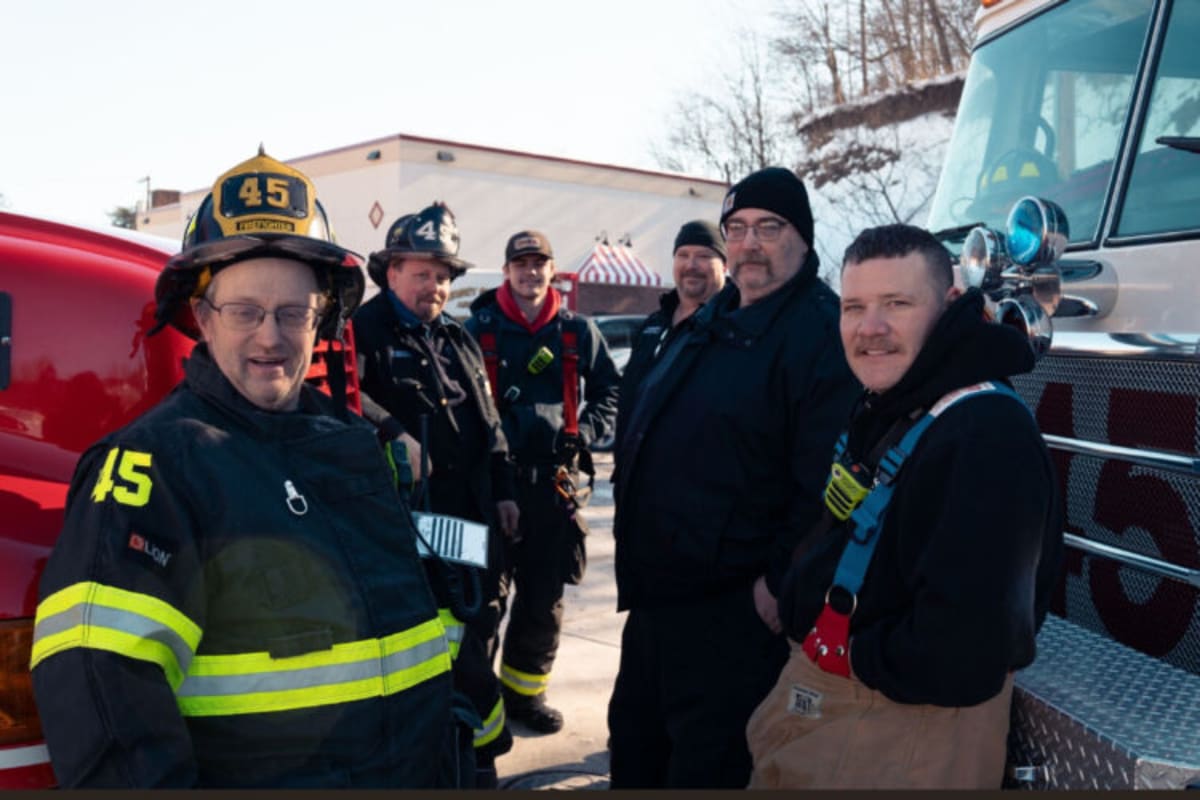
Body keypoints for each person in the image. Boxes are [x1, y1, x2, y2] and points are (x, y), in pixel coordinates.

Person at [29, 150, 457, 788]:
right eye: (245, 311)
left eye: (293, 314)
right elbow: (107, 715)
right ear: (202, 318)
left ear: (322, 322)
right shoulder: (152, 469)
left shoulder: (351, 444)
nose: (270, 337)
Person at [746, 223, 1064, 789]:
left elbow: (965, 653)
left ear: (950, 304)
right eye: (854, 307)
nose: (870, 328)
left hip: (898, 738)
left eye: (897, 303)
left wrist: (852, 652)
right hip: (840, 714)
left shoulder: (984, 432)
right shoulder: (899, 400)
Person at [607, 167, 860, 788]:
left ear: (802, 237)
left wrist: (780, 582)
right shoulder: (710, 319)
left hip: (736, 616)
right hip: (659, 604)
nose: (749, 242)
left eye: (769, 228)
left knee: (707, 769)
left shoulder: (820, 333)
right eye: (738, 228)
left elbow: (833, 479)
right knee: (636, 755)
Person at [352, 201, 517, 787]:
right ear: (390, 271)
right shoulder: (362, 333)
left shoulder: (458, 337)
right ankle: (453, 755)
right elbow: (341, 402)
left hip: (474, 523)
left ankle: (474, 749)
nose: (436, 286)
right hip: (410, 527)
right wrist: (390, 430)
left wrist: (504, 492)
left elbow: (490, 420)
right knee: (438, 650)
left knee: (480, 628)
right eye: (423, 273)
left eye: (444, 275)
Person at [464, 230, 620, 734]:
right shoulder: (478, 330)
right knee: (486, 597)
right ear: (507, 270)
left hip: (554, 486)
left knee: (543, 596)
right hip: (494, 486)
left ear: (553, 270)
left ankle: (524, 696)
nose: (530, 273)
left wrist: (585, 435)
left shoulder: (576, 331)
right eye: (520, 264)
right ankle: (476, 699)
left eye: (539, 263)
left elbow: (609, 392)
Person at [613, 219, 726, 468]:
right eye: (682, 255)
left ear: (725, 265)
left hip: (698, 484)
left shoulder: (732, 326)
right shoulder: (654, 325)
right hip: (637, 482)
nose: (691, 265)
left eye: (704, 256)